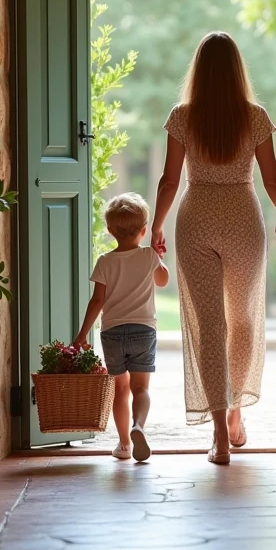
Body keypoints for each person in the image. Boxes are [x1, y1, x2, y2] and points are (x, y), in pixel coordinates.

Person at [150, 32, 276, 465]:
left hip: (195, 219)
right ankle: (235, 415)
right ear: (237, 70)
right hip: (242, 220)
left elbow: (169, 181)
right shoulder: (255, 117)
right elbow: (272, 180)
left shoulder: (182, 117)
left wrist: (156, 225)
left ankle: (217, 435)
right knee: (243, 319)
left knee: (208, 325)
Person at [73, 193, 170, 462]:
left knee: (121, 389)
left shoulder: (105, 261)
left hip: (112, 332)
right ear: (143, 230)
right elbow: (163, 281)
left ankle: (125, 444)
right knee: (141, 389)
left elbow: (97, 300)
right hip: (143, 330)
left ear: (110, 230)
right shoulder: (149, 256)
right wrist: (158, 257)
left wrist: (82, 334)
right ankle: (139, 425)